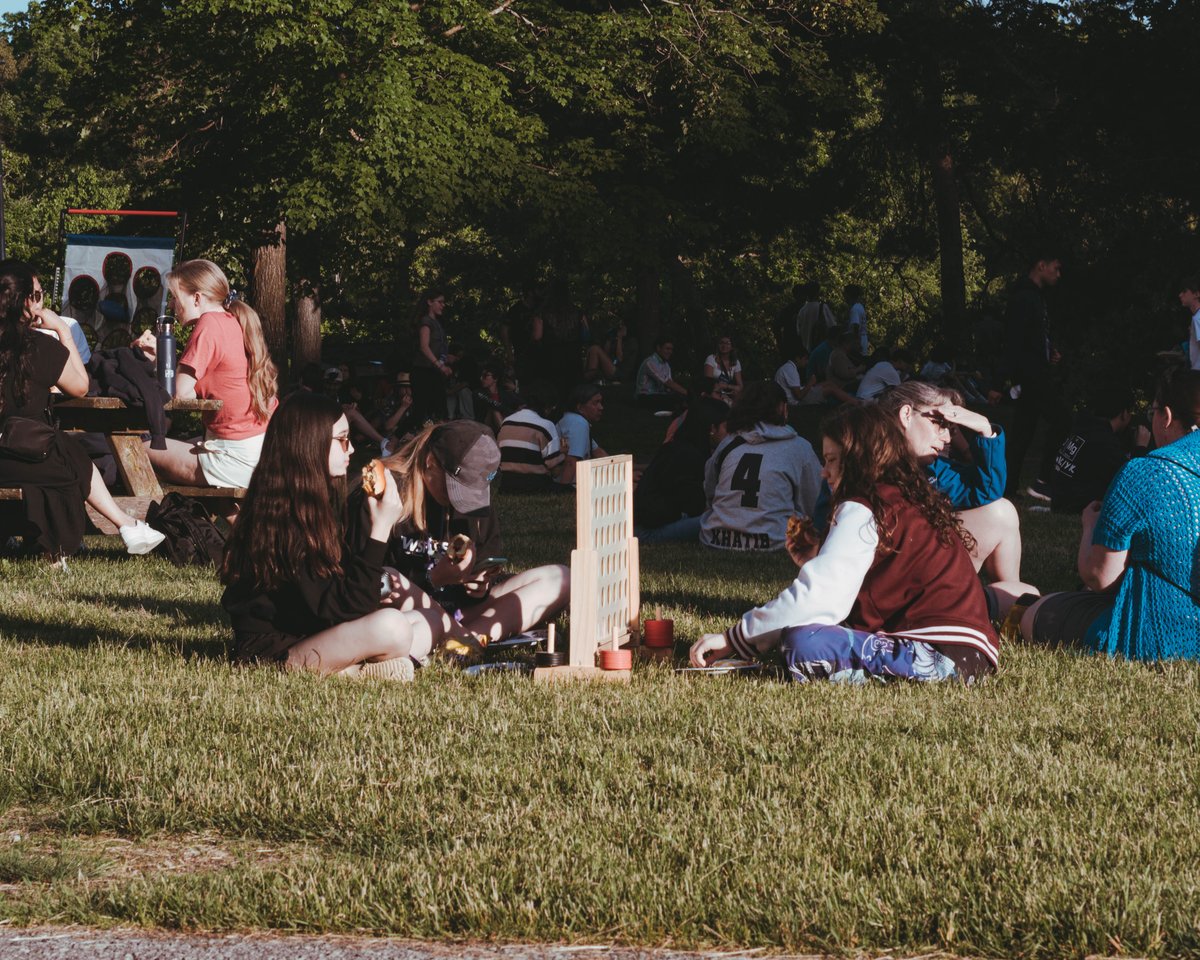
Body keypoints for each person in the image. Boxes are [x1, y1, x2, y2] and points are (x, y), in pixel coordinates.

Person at [690, 404, 999, 684]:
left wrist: (735, 638)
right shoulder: (906, 497)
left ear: (859, 460)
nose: (824, 472)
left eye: (832, 460)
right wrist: (818, 559)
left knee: (803, 642)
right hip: (969, 655)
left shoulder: (864, 506)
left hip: (940, 655)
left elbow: (820, 597)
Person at [220, 392, 428, 678]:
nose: (351, 449)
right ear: (309, 443)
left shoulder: (318, 504)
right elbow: (348, 609)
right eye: (342, 439)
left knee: (418, 620)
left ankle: (355, 668)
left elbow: (343, 592)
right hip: (276, 652)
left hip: (315, 632)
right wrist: (380, 531)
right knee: (393, 627)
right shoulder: (286, 519)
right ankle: (354, 670)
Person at [1021, 368, 1200, 661]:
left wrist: (1090, 527)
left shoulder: (1144, 472)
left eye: (1153, 411)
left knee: (1035, 613)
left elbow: (1100, 577)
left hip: (1160, 634)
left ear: (1166, 416)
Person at [347, 419, 570, 647]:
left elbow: (485, 567)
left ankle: (462, 642)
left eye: (471, 491)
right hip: (408, 614)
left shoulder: (474, 503)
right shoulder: (385, 494)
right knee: (388, 579)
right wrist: (434, 579)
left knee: (560, 578)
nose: (459, 502)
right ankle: (466, 640)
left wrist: (479, 586)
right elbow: (368, 585)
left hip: (461, 612)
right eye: (454, 488)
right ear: (430, 462)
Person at [0, 259, 164, 559]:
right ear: (26, 302)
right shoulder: (39, 346)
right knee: (66, 448)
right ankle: (126, 524)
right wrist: (63, 330)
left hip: (7, 461)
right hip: (30, 459)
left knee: (64, 447)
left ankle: (127, 525)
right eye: (37, 295)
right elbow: (80, 386)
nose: (42, 302)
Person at [876, 381, 1038, 611]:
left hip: (924, 572)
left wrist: (985, 430)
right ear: (906, 415)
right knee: (1003, 514)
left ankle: (1007, 605)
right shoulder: (865, 465)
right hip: (896, 589)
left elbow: (986, 491)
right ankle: (995, 605)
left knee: (1003, 511)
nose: (947, 438)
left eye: (950, 429)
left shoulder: (931, 468)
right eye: (939, 424)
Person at [142, 260, 278, 495]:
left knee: (137, 448)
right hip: (260, 449)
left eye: (175, 297)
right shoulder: (232, 320)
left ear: (197, 298)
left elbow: (180, 393)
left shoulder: (209, 323)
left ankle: (135, 514)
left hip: (233, 458)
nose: (172, 304)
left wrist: (154, 362)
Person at [700, 381, 822, 552]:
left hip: (717, 538)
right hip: (774, 540)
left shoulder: (728, 443)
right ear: (783, 408)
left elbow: (710, 492)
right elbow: (814, 503)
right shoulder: (800, 447)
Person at [1001, 250, 1068, 499]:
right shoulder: (1024, 298)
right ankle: (1043, 481)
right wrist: (1001, 380)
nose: (1058, 274)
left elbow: (1032, 338)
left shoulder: (1036, 297)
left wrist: (1048, 353)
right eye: (1055, 268)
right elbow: (1013, 340)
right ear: (1041, 265)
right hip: (1032, 376)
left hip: (1035, 372)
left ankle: (1008, 487)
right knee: (1062, 420)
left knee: (1023, 432)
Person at [634, 398, 729, 543]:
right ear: (712, 428)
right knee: (719, 520)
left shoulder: (679, 448)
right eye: (726, 427)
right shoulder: (688, 456)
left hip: (659, 521)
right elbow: (695, 506)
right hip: (650, 530)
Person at [1049, 386, 1149, 514]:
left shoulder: (1082, 427)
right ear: (1124, 413)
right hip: (1077, 508)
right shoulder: (1104, 441)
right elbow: (1131, 483)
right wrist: (1141, 448)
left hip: (1059, 500)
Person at [497, 382, 567, 493]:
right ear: (547, 406)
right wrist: (563, 453)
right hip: (535, 485)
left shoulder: (506, 422)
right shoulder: (545, 425)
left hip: (507, 484)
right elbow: (555, 471)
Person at [410, 289, 456, 425]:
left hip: (433, 371)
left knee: (440, 409)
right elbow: (424, 347)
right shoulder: (426, 321)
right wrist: (440, 365)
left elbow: (435, 347)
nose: (443, 305)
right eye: (440, 302)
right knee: (420, 411)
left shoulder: (437, 323)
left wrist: (446, 358)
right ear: (430, 302)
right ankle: (397, 436)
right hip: (423, 371)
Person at [556, 382, 609, 486]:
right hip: (572, 483)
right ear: (580, 407)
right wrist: (562, 490)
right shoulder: (578, 423)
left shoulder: (573, 420)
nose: (601, 407)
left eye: (600, 402)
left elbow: (598, 453)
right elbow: (571, 462)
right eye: (595, 403)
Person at [635, 338, 688, 411]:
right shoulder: (650, 362)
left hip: (658, 394)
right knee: (677, 398)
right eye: (667, 349)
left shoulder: (666, 365)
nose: (670, 352)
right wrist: (687, 393)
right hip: (645, 396)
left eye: (671, 349)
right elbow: (667, 382)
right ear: (658, 348)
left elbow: (669, 384)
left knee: (679, 396)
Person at [795, 283, 836, 352]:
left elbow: (799, 332)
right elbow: (832, 326)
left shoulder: (802, 311)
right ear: (817, 293)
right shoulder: (822, 307)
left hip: (807, 350)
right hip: (822, 349)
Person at [703, 334, 743, 403]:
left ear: (732, 347)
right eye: (721, 343)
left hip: (728, 394)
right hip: (712, 393)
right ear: (718, 345)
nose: (724, 346)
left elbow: (740, 386)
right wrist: (721, 396)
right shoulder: (711, 358)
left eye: (727, 343)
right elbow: (708, 383)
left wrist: (727, 386)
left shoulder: (736, 362)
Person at [1177, 275, 1200, 371]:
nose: (1180, 295)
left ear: (1197, 294)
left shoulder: (1198, 318)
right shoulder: (1196, 317)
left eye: (1184, 291)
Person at [845, 283, 868, 356]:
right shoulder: (860, 306)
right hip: (863, 339)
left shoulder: (854, 309)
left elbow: (856, 326)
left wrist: (856, 344)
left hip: (858, 341)